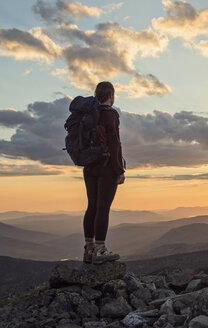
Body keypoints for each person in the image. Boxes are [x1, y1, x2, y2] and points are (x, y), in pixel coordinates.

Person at [82, 81, 126, 264]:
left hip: (89, 165)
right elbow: (115, 143)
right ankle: (100, 250)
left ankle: (89, 249)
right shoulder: (110, 114)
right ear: (112, 95)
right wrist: (119, 170)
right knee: (103, 208)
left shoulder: (88, 114)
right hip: (107, 166)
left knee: (92, 206)